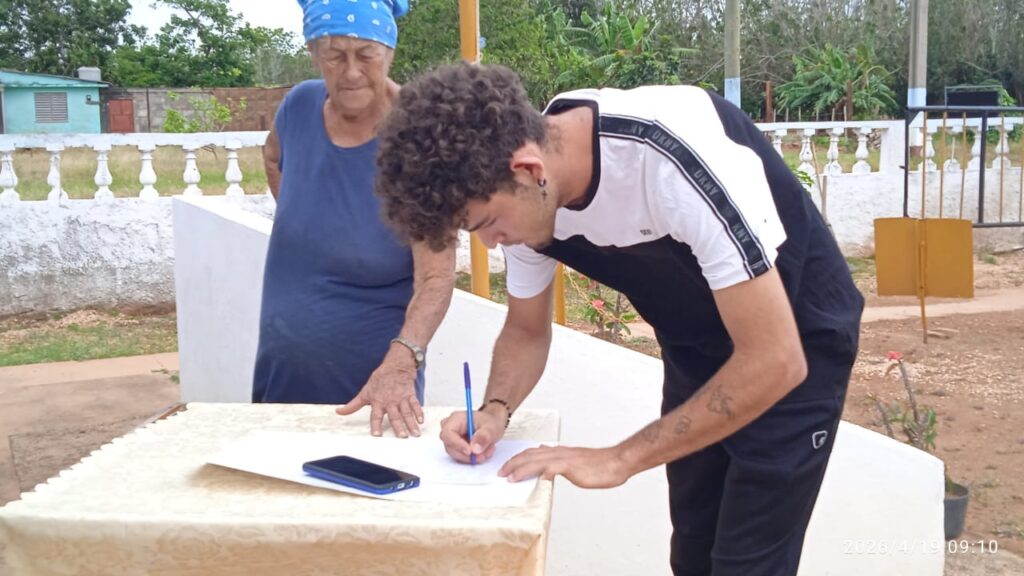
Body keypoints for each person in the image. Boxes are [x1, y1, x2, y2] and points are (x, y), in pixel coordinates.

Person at [374, 63, 864, 575]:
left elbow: (774, 359)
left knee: (748, 564)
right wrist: (495, 412)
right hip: (697, 346)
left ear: (529, 171)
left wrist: (618, 459)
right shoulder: (522, 189)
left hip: (794, 342)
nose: (490, 243)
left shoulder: (673, 161)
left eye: (486, 224)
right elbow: (525, 330)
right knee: (693, 554)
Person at [252, 0, 454, 439]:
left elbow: (437, 279)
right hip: (281, 370)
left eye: (366, 54)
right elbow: (272, 155)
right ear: (312, 53)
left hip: (374, 392)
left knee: (367, 497)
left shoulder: (420, 140)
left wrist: (401, 366)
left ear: (390, 53)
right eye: (334, 54)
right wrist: (306, 222)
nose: (351, 72)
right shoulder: (300, 106)